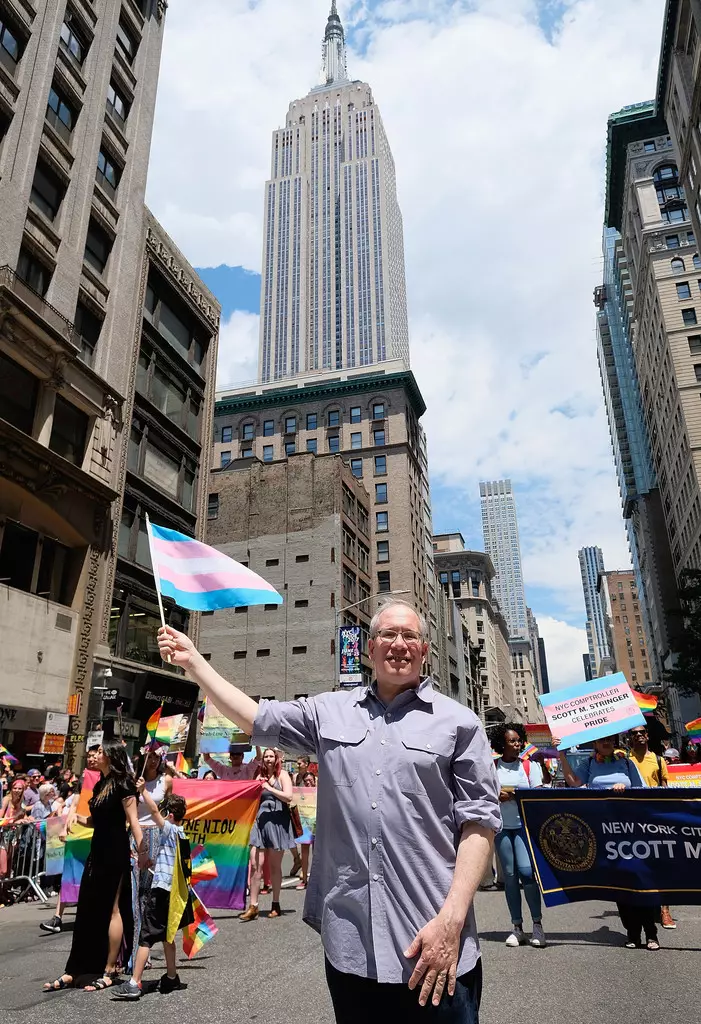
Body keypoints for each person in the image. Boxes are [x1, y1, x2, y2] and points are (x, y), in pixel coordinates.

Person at [158, 599, 500, 1021]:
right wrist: (194, 662)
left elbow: (480, 824)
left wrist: (451, 920)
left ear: (424, 650)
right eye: (388, 635)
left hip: (434, 942)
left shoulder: (460, 723)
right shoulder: (327, 712)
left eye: (409, 635)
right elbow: (255, 717)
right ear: (369, 649)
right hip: (352, 944)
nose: (399, 644)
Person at [43, 741, 145, 992]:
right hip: (97, 849)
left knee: (112, 908)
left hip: (115, 851)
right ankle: (75, 968)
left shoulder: (124, 784)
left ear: (111, 756)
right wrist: (75, 817)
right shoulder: (100, 784)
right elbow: (95, 820)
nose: (95, 756)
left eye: (100, 752)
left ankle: (110, 970)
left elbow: (133, 822)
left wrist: (142, 852)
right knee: (87, 907)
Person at [557, 735, 658, 950]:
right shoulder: (590, 763)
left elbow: (641, 791)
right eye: (602, 741)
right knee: (620, 880)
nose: (607, 744)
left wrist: (625, 788)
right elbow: (573, 783)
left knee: (641, 877)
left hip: (631, 829)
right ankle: (632, 933)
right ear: (594, 744)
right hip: (605, 829)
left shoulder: (626, 762)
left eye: (610, 740)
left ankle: (651, 932)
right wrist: (561, 754)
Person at [113, 789, 189, 999]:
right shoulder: (182, 834)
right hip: (172, 891)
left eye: (165, 813)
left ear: (171, 816)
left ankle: (134, 982)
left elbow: (154, 811)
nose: (161, 816)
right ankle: (172, 977)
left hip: (161, 891)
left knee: (145, 937)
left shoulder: (170, 829)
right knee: (167, 935)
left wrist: (144, 790)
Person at [491, 723, 546, 948]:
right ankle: (517, 927)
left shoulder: (529, 766)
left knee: (527, 873)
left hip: (524, 827)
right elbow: (483, 793)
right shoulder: (491, 767)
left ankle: (537, 926)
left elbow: (539, 793)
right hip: (502, 828)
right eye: (512, 741)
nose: (517, 744)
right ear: (501, 744)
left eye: (518, 740)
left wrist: (518, 795)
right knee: (510, 876)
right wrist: (497, 795)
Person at [627, 725, 676, 930]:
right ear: (629, 738)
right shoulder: (624, 760)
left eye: (642, 733)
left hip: (655, 819)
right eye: (634, 733)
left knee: (659, 862)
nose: (638, 736)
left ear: (647, 736)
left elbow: (665, 790)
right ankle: (642, 907)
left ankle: (665, 909)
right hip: (631, 819)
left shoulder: (658, 760)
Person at [239, 747, 296, 921]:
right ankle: (253, 906)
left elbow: (288, 796)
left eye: (271, 756)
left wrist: (269, 788)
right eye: (266, 757)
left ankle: (276, 904)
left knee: (274, 867)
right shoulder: (258, 774)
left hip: (278, 822)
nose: (268, 759)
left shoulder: (283, 775)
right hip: (260, 823)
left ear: (277, 758)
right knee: (255, 864)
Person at [296, 770, 316, 890]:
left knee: (316, 853)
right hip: (305, 826)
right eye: (306, 781)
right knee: (304, 853)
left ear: (314, 781)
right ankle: (304, 880)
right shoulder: (301, 793)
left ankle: (315, 879)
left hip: (317, 825)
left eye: (310, 780)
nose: (308, 783)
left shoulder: (319, 791)